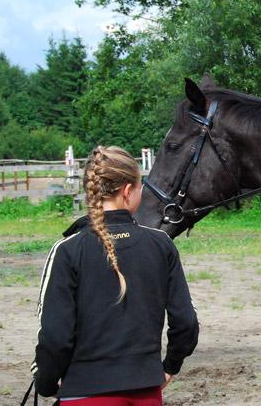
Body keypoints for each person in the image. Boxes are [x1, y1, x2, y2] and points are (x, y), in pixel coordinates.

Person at [32, 146, 199, 404]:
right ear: (128, 191)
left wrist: (46, 383)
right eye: (141, 187)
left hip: (84, 392)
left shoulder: (68, 250)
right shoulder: (161, 244)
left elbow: (55, 334)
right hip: (146, 392)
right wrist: (169, 367)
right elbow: (186, 321)